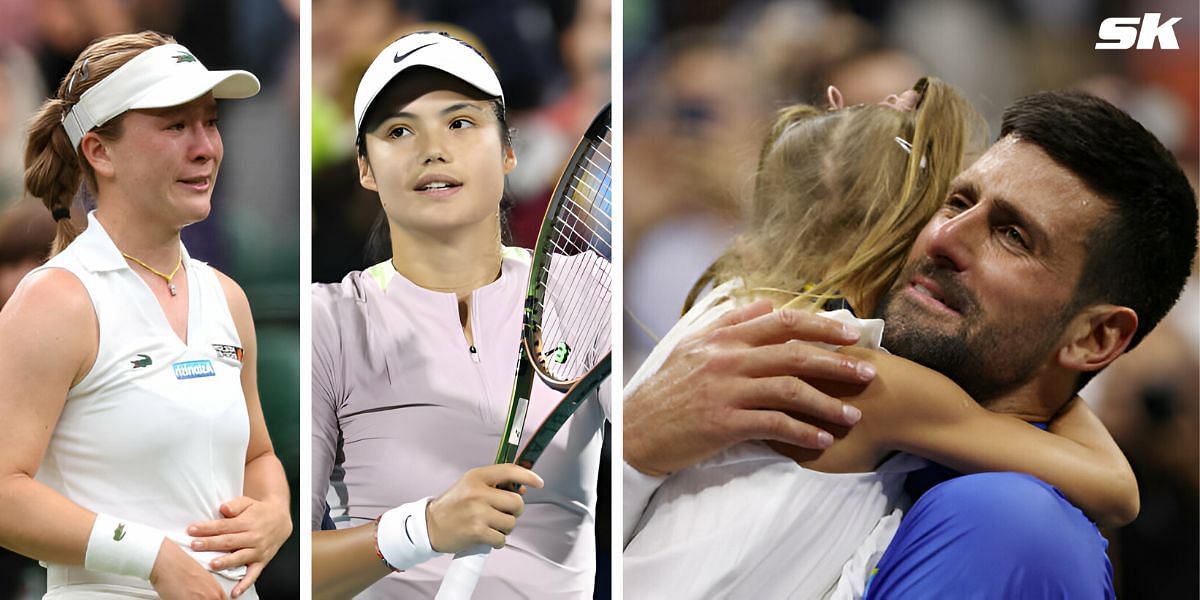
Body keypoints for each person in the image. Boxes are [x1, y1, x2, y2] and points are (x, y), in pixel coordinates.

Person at [624, 88, 1198, 598]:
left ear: (1096, 337)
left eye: (1013, 235)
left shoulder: (743, 306)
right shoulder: (856, 376)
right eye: (955, 201)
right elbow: (1117, 489)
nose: (943, 236)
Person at [311, 31, 610, 598]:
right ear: (366, 169)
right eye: (399, 131)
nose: (433, 149)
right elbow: (294, 568)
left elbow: (650, 435)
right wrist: (422, 530)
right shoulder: (331, 321)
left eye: (460, 122)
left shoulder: (585, 287)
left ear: (508, 152)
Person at [0, 31, 293, 599]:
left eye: (210, 122)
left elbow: (258, 456)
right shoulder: (55, 300)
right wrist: (151, 558)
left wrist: (275, 510)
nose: (205, 146)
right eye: (175, 125)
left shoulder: (227, 297)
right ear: (99, 152)